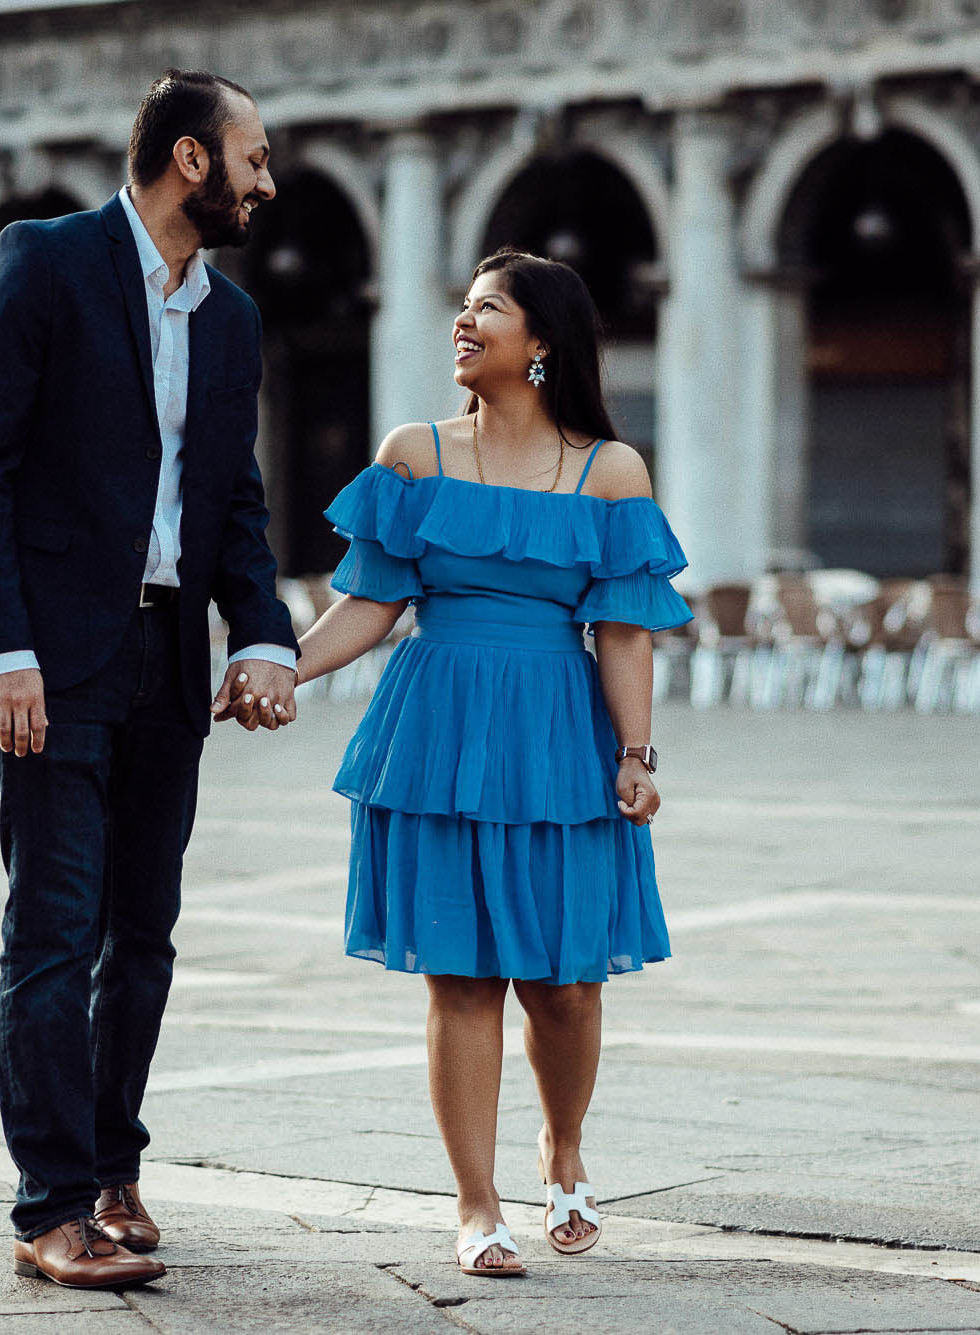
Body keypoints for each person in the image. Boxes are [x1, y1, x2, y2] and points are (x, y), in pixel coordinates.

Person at [0, 69, 302, 1290]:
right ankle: (48, 1206)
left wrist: (259, 635)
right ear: (191, 159)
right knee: (53, 926)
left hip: (163, 656)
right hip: (41, 652)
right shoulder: (41, 261)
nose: (265, 180)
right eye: (251, 158)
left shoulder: (231, 320)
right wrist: (4, 649)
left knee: (141, 933)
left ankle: (110, 1169)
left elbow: (234, 502)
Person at [294, 249, 691, 1277]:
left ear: (542, 342)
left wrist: (637, 752)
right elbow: (373, 602)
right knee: (460, 978)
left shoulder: (610, 471)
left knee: (562, 983)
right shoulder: (412, 453)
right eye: (462, 311)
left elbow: (627, 628)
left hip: (560, 731)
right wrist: (277, 669)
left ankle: (562, 1151)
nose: (462, 326)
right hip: (433, 731)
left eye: (487, 312)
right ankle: (476, 1207)